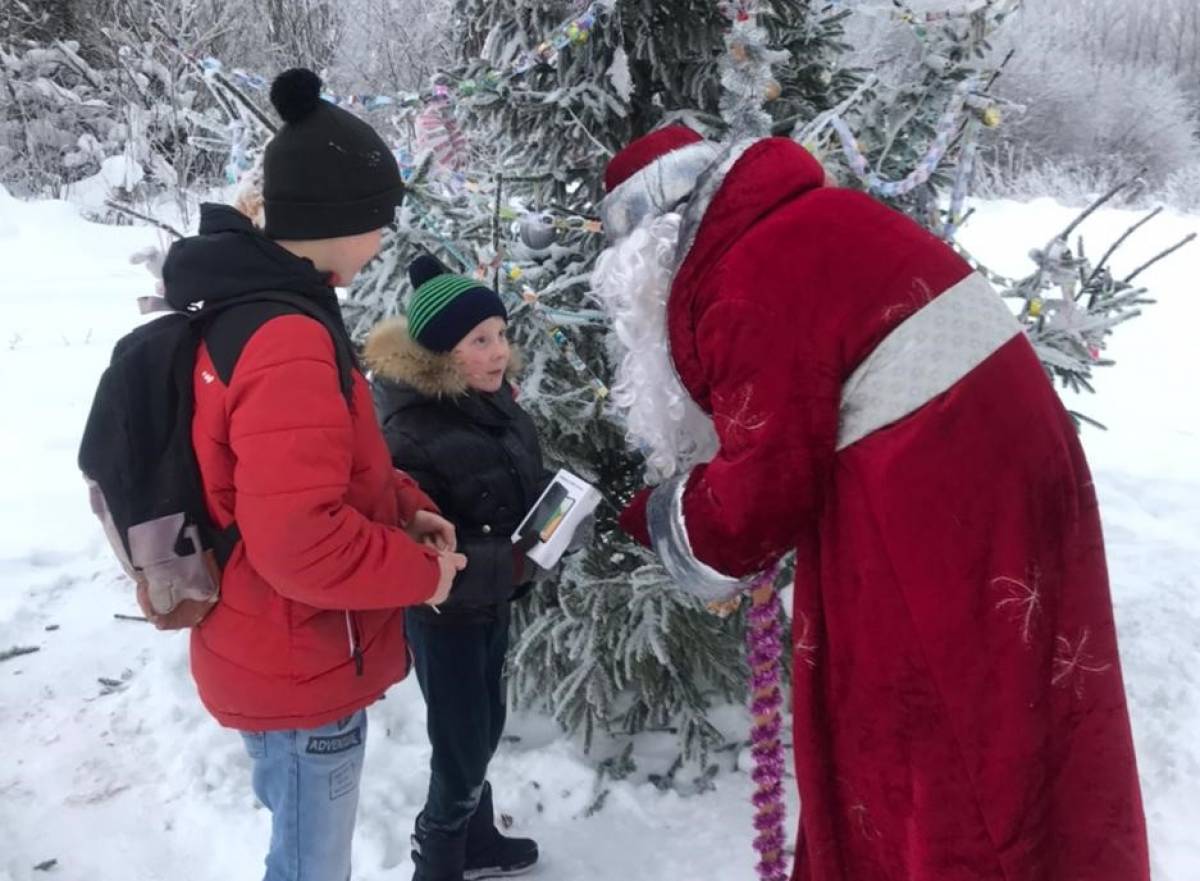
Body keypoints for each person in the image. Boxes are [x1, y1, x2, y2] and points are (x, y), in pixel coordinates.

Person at [591, 124, 1149, 881]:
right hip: (1013, 467)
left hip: (937, 499)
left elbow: (767, 488)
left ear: (654, 255)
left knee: (933, 728)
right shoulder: (807, 222)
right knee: (1023, 710)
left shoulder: (743, 276)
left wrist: (663, 518)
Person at [159, 68, 465, 881]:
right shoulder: (287, 337)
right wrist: (424, 574)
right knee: (308, 869)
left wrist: (403, 504)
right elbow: (300, 542)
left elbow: (307, 471)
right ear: (343, 218)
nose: (384, 237)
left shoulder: (258, 304)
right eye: (381, 218)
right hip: (300, 666)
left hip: (272, 645)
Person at [365, 256, 549, 881]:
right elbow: (422, 549)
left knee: (484, 729)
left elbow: (515, 481)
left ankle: (475, 840)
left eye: (501, 334)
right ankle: (438, 858)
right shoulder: (410, 432)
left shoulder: (493, 405)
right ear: (441, 352)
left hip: (492, 601)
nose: (499, 352)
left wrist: (557, 515)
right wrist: (518, 559)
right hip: (444, 616)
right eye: (480, 340)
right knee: (462, 747)